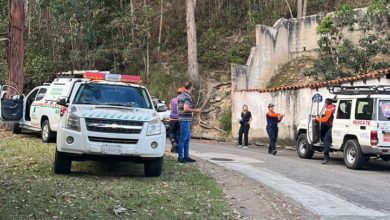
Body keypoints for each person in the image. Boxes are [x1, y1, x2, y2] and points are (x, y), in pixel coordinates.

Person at [177, 82, 201, 163]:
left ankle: (186, 156)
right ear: (190, 88)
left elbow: (178, 109)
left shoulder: (180, 95)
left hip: (182, 119)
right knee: (183, 139)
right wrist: (195, 110)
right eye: (192, 87)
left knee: (187, 139)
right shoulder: (187, 96)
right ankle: (181, 157)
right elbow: (186, 108)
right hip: (185, 120)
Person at [316, 98, 336, 164]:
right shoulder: (334, 107)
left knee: (326, 139)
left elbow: (326, 118)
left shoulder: (328, 108)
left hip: (333, 126)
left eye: (325, 102)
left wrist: (318, 119)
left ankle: (326, 157)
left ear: (326, 103)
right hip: (335, 124)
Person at [168, 87, 185, 153]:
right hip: (180, 119)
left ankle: (173, 142)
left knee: (172, 132)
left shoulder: (173, 100)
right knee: (178, 134)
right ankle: (177, 148)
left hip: (172, 118)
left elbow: (170, 108)